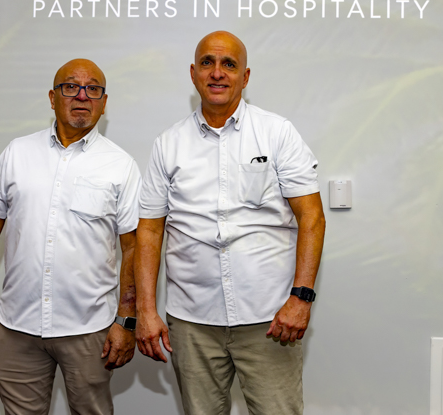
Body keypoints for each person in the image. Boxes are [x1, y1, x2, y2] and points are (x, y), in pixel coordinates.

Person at [135, 31, 326, 415]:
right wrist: (146, 311)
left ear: (245, 76)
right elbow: (149, 230)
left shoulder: (277, 133)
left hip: (270, 318)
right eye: (207, 63)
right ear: (193, 73)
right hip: (193, 321)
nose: (217, 73)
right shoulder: (168, 144)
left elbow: (312, 217)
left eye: (229, 64)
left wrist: (301, 298)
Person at [0, 59, 140, 415]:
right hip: (16, 328)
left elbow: (133, 248)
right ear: (52, 98)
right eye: (71, 87)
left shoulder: (121, 165)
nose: (82, 96)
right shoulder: (17, 152)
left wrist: (126, 321)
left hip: (89, 329)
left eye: (93, 89)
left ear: (103, 102)